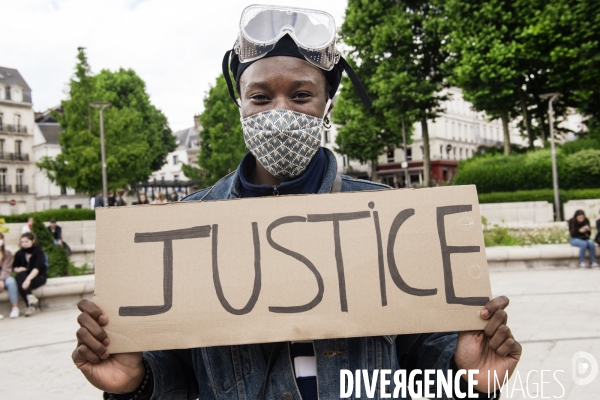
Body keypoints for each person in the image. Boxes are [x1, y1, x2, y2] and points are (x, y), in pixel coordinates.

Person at [73, 6, 521, 399]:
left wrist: (467, 378)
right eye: (261, 97)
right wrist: (136, 380)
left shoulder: (387, 217)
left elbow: (423, 356)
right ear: (240, 106)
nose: (280, 111)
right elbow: (180, 370)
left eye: (302, 94)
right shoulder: (189, 222)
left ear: (328, 104)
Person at [13, 232, 47, 317]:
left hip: (38, 276)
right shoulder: (20, 253)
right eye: (22, 242)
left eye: (26, 241)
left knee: (22, 282)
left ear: (33, 241)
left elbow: (37, 268)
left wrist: (28, 280)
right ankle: (30, 299)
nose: (24, 244)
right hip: (24, 276)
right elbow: (14, 267)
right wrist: (18, 269)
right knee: (19, 276)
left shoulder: (39, 252)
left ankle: (30, 305)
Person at [0, 233, 18, 319]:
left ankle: (15, 308)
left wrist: (1, 280)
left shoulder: (7, 253)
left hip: (4, 275)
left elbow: (6, 268)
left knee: (11, 282)